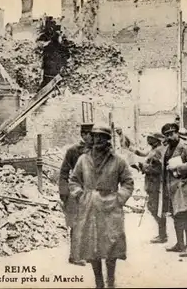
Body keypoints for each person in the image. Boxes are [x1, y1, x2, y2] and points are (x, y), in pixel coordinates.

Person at [68, 124, 134, 288]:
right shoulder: (83, 159)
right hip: (90, 206)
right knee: (92, 245)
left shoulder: (118, 160)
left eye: (101, 137)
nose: (97, 140)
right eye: (95, 136)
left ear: (107, 140)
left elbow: (128, 182)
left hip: (111, 206)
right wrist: (80, 195)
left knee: (112, 243)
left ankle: (110, 281)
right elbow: (74, 180)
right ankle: (99, 282)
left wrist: (119, 198)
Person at [160, 123, 187, 257]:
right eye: (167, 135)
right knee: (176, 216)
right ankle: (180, 244)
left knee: (186, 216)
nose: (170, 137)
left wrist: (177, 167)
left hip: (184, 186)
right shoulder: (166, 149)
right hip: (171, 187)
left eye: (172, 133)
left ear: (177, 133)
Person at [58, 123, 94, 266]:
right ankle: (75, 256)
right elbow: (64, 172)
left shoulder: (99, 150)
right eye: (91, 135)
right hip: (77, 191)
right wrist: (64, 191)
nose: (94, 138)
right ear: (83, 135)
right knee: (77, 224)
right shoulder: (73, 151)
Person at [131, 132, 167, 243]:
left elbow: (157, 169)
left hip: (156, 183)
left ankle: (162, 235)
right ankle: (162, 234)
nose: (148, 140)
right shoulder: (154, 149)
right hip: (152, 183)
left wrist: (143, 167)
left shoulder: (158, 151)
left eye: (150, 138)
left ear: (156, 140)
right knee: (154, 208)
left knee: (155, 208)